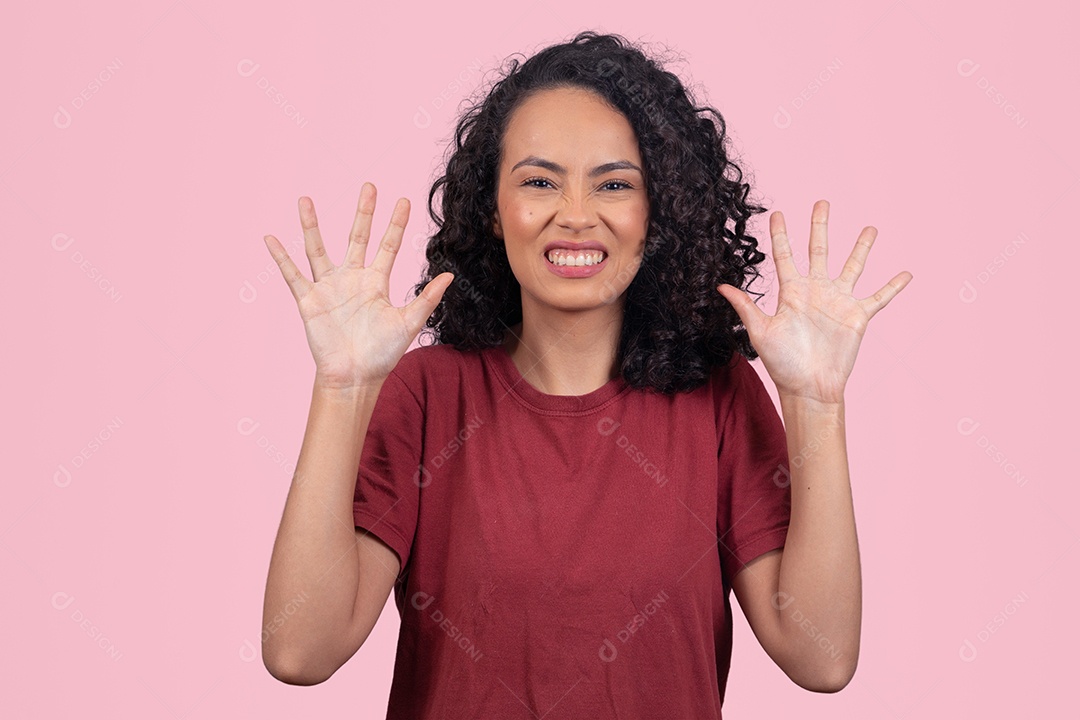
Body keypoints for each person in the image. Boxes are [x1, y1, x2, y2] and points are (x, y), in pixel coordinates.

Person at [259, 30, 912, 718]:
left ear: (656, 211)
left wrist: (816, 400)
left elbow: (823, 657)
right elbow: (300, 651)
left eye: (614, 184)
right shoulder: (426, 394)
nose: (574, 216)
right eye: (539, 181)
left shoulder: (718, 397)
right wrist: (342, 388)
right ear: (492, 207)